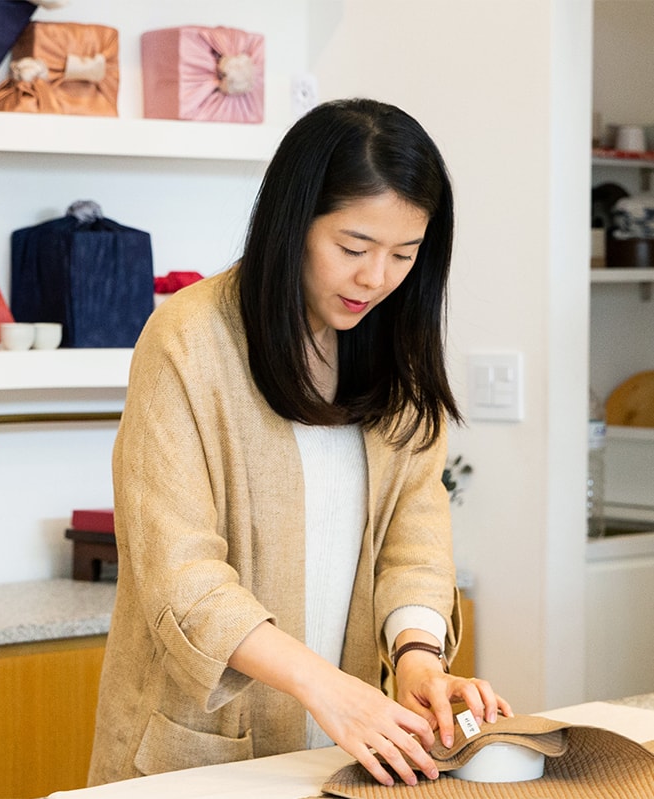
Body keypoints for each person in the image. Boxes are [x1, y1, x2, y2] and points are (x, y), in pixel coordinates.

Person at [88, 97, 512, 789]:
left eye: (403, 254)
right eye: (352, 247)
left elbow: (414, 529)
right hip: (202, 747)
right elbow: (181, 574)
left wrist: (416, 659)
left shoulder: (394, 345)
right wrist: (330, 688)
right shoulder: (190, 340)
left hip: (346, 741)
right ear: (294, 223)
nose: (375, 278)